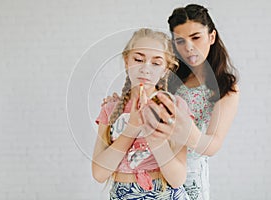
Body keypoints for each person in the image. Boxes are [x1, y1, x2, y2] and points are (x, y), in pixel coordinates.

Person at [101, 4, 240, 200]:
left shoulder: (225, 87)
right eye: (180, 41)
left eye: (196, 37)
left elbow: (213, 145)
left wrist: (185, 130)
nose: (189, 47)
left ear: (212, 36)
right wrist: (119, 106)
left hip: (191, 176)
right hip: (156, 172)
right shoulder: (168, 77)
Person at [92, 28, 190, 200]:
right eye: (138, 59)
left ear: (166, 69)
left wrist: (152, 133)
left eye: (156, 63)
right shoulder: (110, 109)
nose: (146, 69)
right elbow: (99, 173)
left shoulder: (175, 107)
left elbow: (177, 179)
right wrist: (132, 128)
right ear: (126, 61)